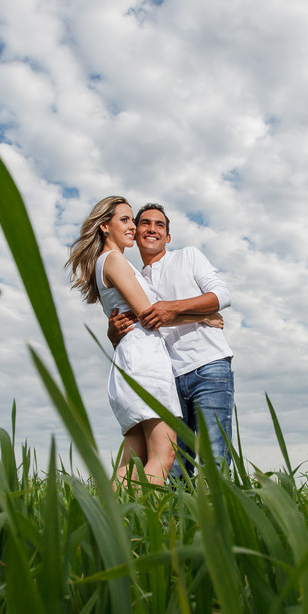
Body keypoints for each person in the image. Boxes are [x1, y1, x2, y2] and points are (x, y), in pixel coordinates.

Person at [66, 196, 223, 489]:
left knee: (132, 459)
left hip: (130, 359)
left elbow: (136, 316)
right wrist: (202, 317)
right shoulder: (114, 260)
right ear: (104, 227)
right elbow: (148, 315)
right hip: (144, 360)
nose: (132, 226)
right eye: (125, 220)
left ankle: (110, 523)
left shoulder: (108, 262)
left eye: (131, 220)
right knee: (165, 455)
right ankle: (141, 526)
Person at [108, 203, 234, 480]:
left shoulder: (188, 256)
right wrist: (113, 332)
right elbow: (133, 325)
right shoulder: (133, 277)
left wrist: (175, 308)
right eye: (145, 223)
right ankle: (181, 523)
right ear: (136, 232)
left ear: (167, 237)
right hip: (165, 378)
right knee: (175, 467)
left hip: (208, 367)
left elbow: (222, 295)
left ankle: (223, 521)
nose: (152, 229)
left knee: (214, 456)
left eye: (159, 225)